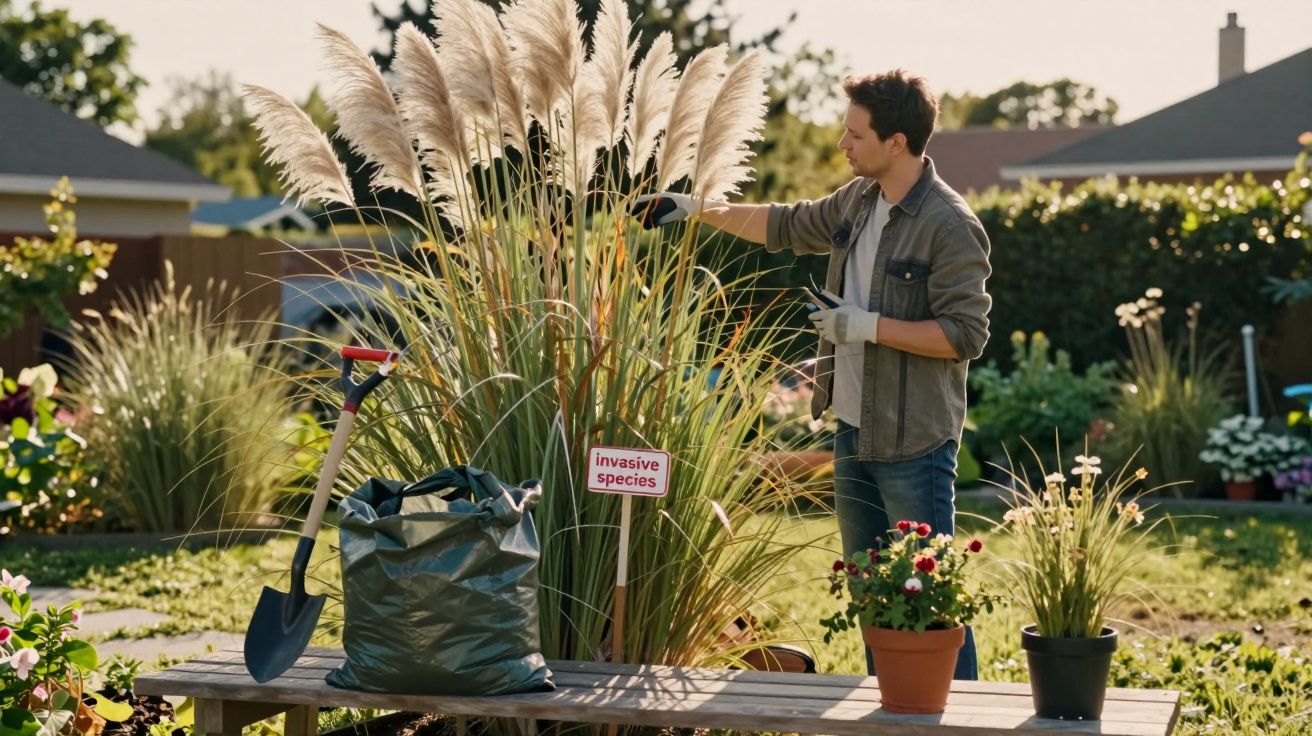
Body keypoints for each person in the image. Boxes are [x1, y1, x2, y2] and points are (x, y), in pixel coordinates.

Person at [631, 69, 992, 679]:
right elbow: (785, 223)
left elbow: (965, 335)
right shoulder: (857, 201)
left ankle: (957, 716)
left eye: (854, 134)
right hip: (853, 428)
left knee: (928, 602)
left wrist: (866, 326)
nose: (842, 144)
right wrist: (695, 208)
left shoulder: (949, 225)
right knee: (872, 593)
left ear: (897, 141)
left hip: (915, 442)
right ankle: (895, 713)